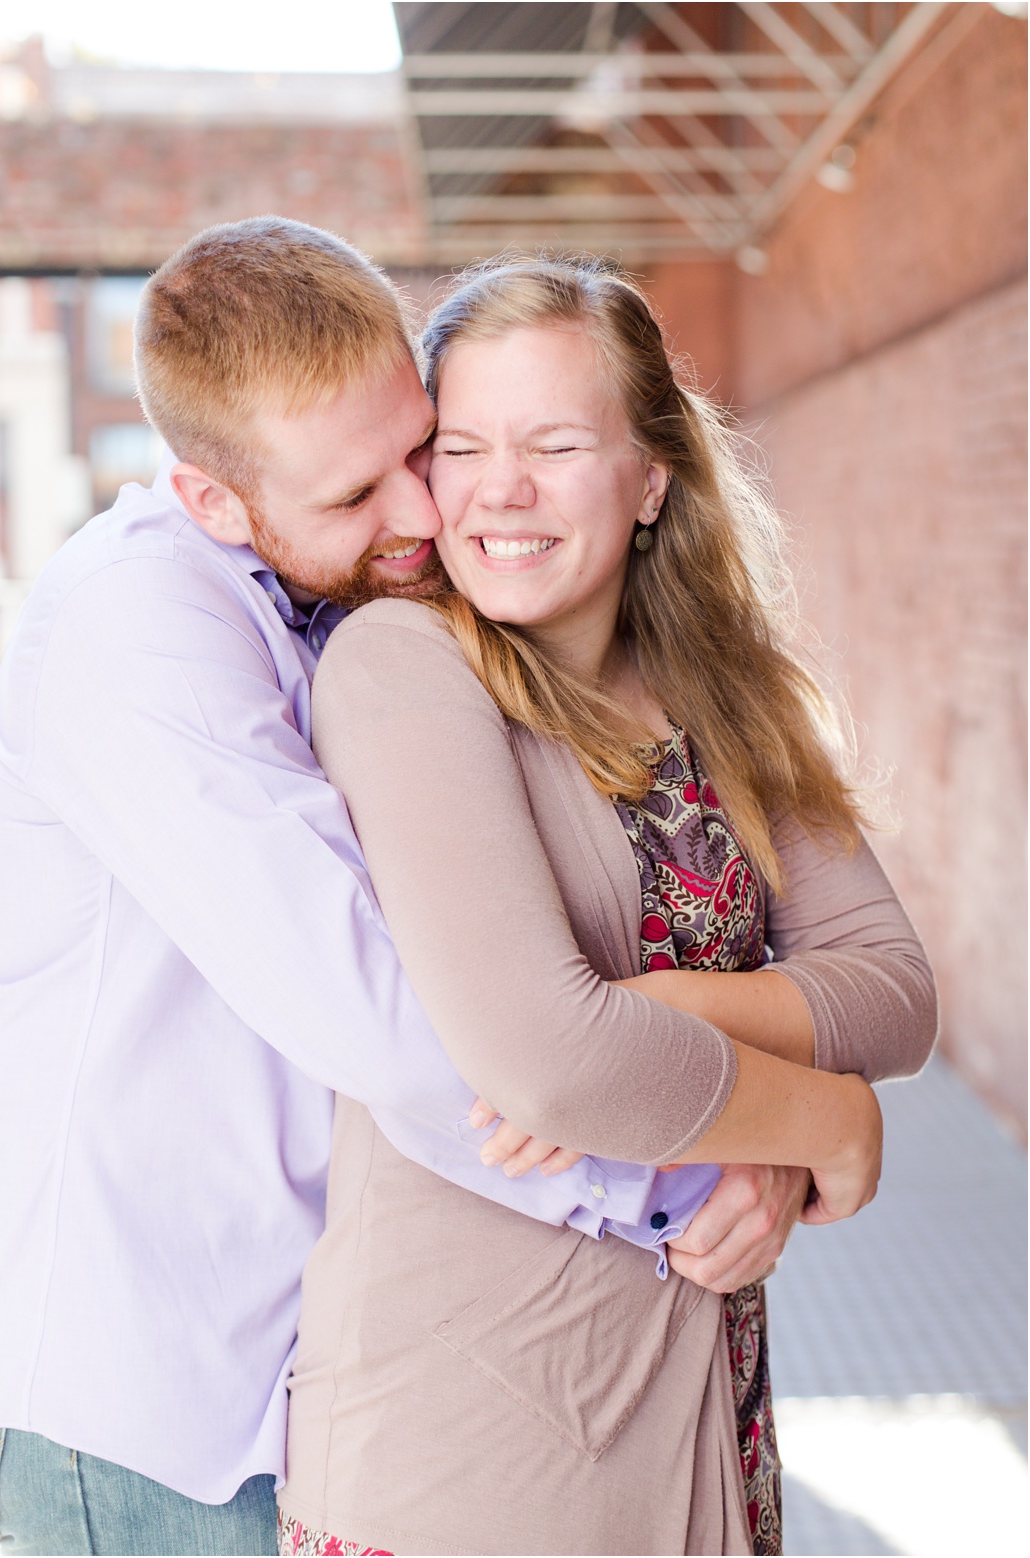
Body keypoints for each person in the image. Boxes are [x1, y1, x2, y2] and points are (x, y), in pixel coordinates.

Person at [0, 220, 826, 1558]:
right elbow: (386, 1012)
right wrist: (698, 1170)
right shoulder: (132, 634)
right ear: (210, 498)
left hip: (292, 1364)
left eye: (415, 451)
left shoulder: (335, 591)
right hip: (152, 1408)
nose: (421, 515)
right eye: (354, 496)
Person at [280, 258, 938, 1557]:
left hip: (700, 1426)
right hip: (472, 1463)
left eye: (556, 442)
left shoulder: (732, 696)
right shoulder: (405, 668)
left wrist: (681, 1012)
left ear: (651, 478)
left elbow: (897, 987)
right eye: (460, 445)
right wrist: (827, 1112)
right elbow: (551, 1058)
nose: (499, 488)